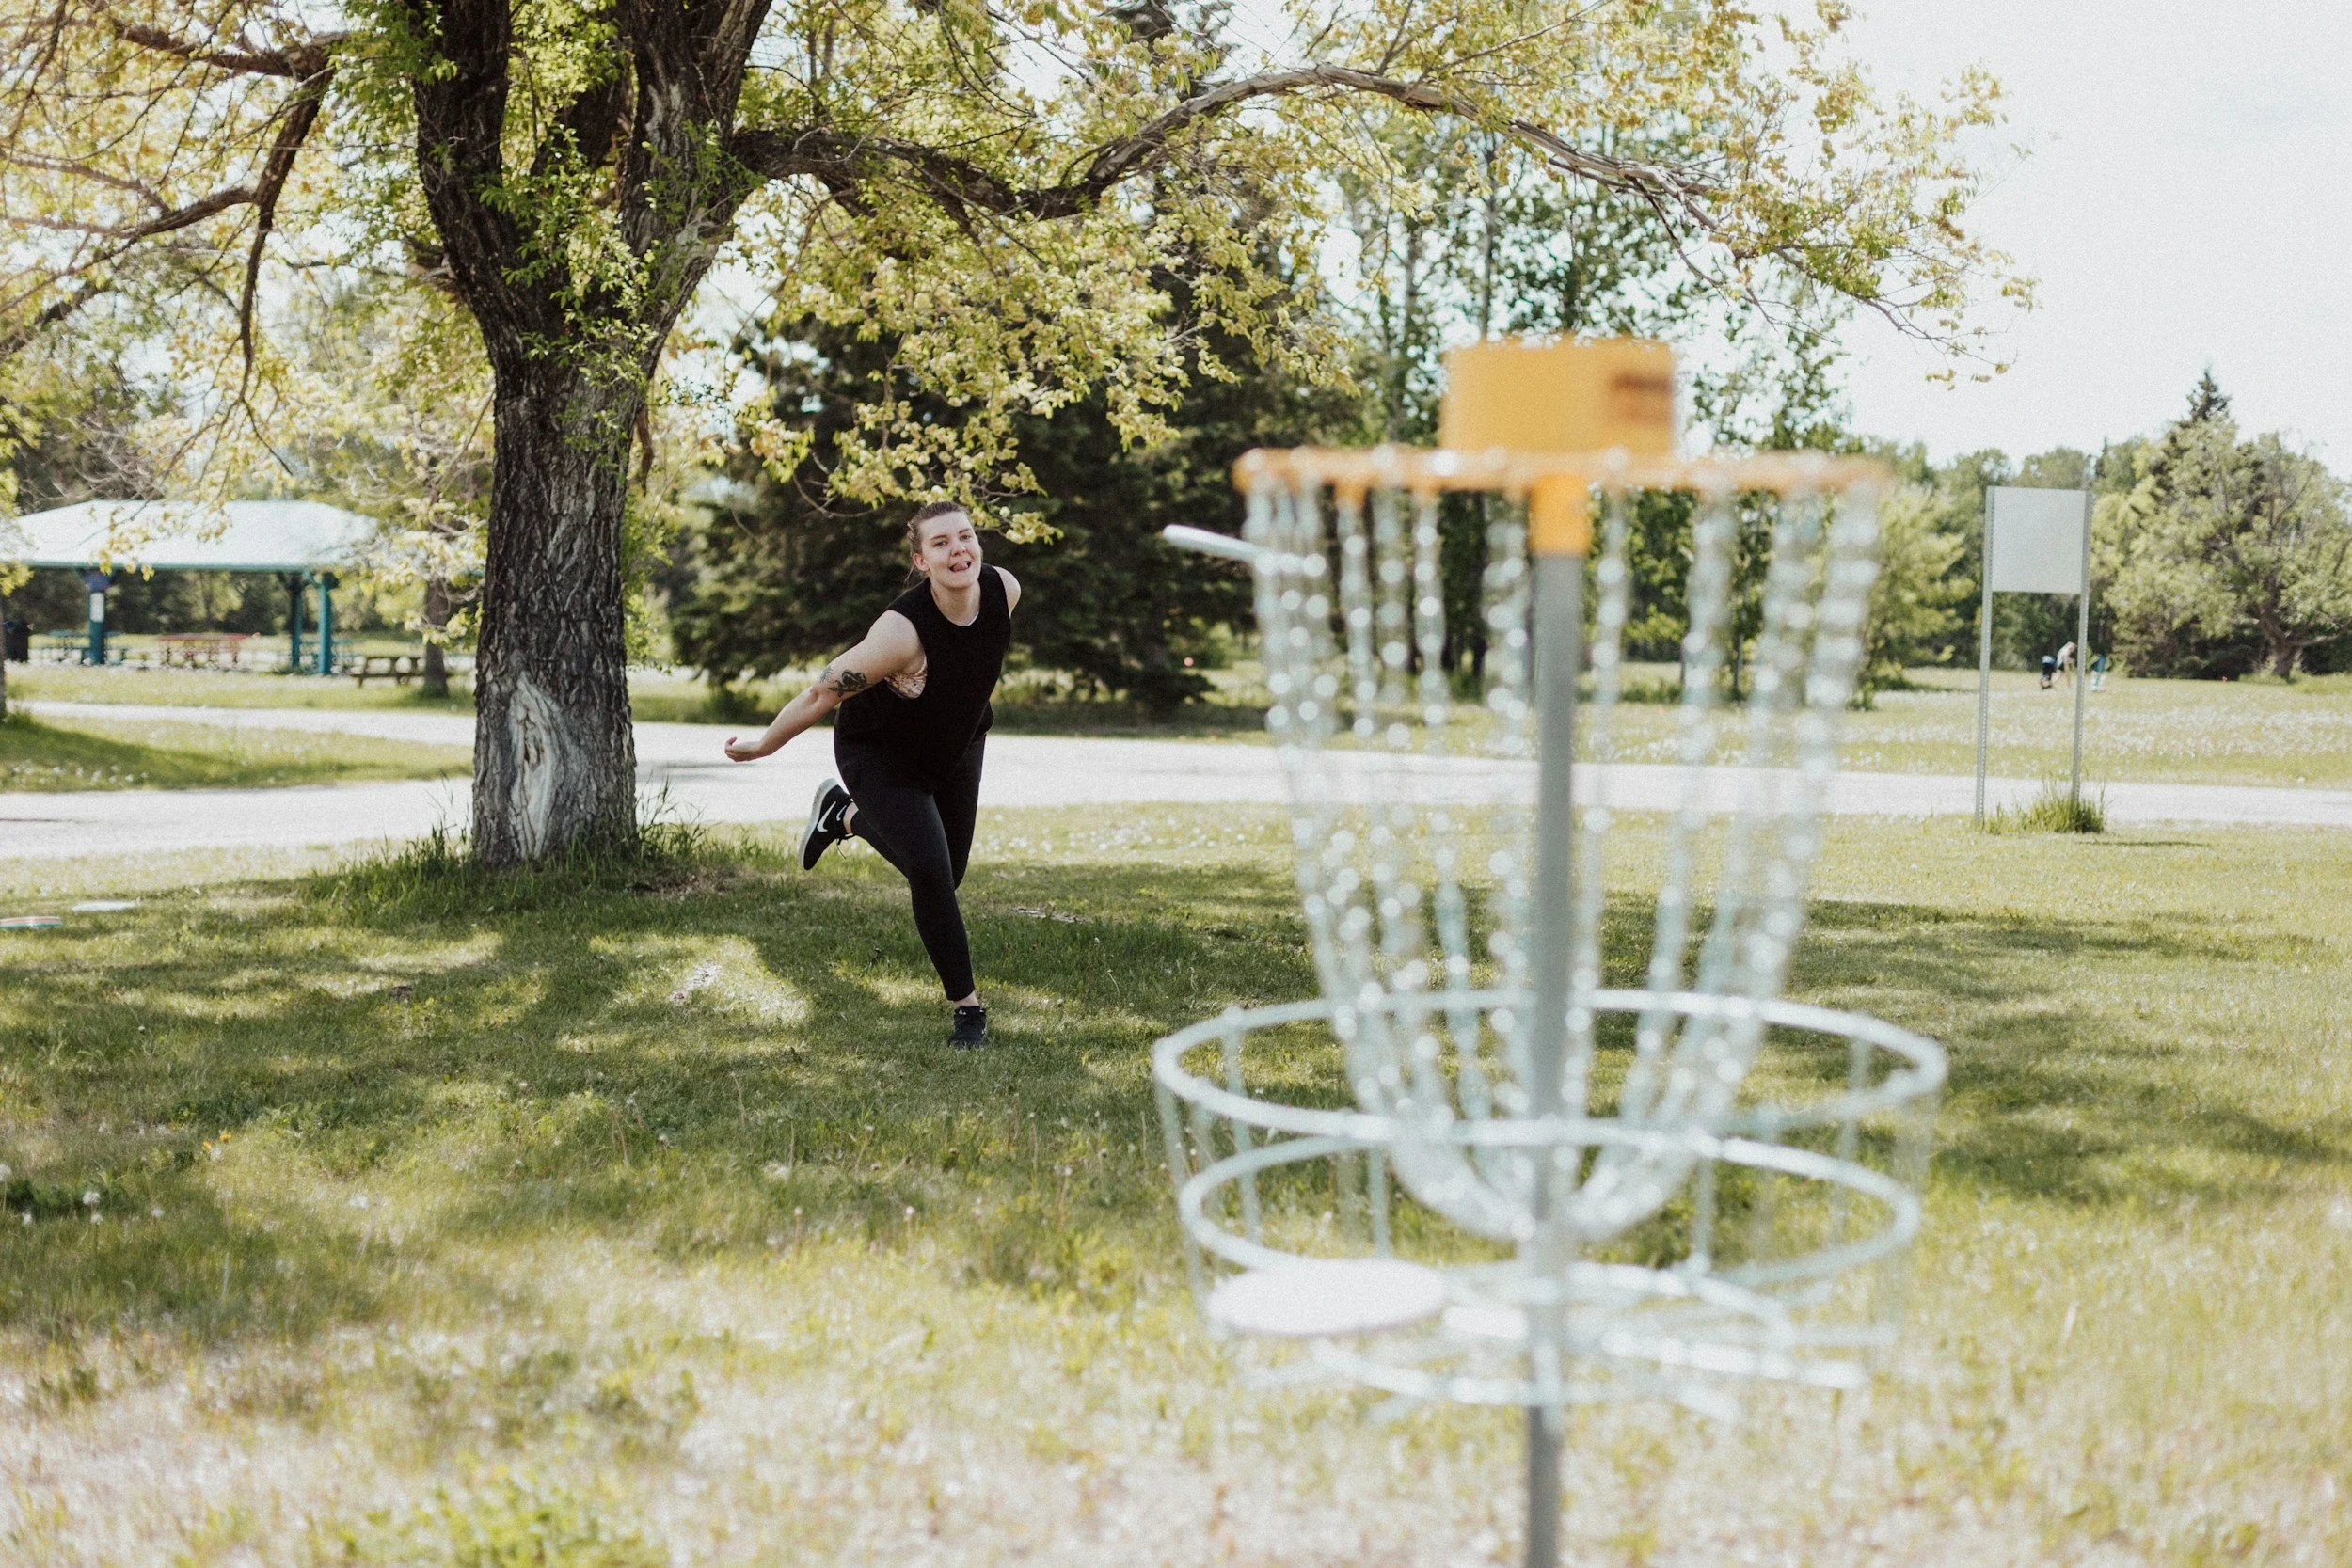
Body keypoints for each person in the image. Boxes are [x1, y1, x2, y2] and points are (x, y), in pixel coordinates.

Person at [723, 501, 1021, 1049]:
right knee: (929, 871)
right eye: (940, 543)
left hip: (957, 744)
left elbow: (971, 663)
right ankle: (968, 1010)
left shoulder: (1005, 589)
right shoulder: (900, 634)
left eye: (966, 536)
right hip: (880, 754)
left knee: (946, 876)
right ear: (920, 561)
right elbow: (821, 692)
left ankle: (844, 815)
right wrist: (764, 745)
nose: (958, 550)